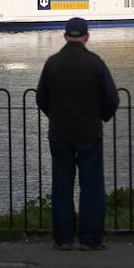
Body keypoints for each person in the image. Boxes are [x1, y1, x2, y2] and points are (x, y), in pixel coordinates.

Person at [36, 17, 119, 251]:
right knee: (91, 186)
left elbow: (41, 98)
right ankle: (90, 239)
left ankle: (63, 239)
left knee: (62, 186)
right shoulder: (95, 63)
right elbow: (112, 98)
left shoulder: (52, 63)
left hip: (60, 133)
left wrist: (55, 116)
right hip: (89, 133)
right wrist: (100, 117)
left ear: (64, 36)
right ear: (86, 37)